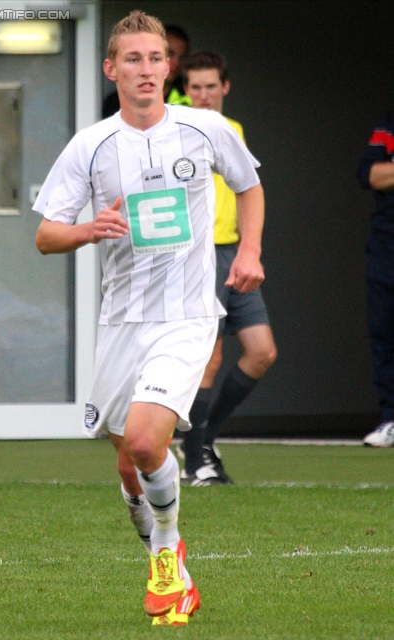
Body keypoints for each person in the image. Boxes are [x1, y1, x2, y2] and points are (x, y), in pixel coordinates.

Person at [34, 11, 265, 626]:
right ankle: (165, 553)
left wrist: (247, 250)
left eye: (155, 59)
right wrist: (87, 228)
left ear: (171, 68)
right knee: (126, 461)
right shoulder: (91, 145)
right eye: (132, 59)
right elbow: (45, 235)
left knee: (145, 440)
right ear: (112, 69)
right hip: (121, 322)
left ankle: (167, 554)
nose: (145, 70)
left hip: (186, 315)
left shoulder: (205, 129)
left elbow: (248, 184)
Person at [179, 52, 277, 485]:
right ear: (185, 90)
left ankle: (202, 440)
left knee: (262, 353)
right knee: (210, 358)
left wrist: (249, 250)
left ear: (225, 87)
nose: (202, 96)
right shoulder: (175, 129)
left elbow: (247, 190)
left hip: (234, 255)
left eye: (210, 87)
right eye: (194, 88)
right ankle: (196, 458)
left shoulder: (231, 130)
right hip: (196, 257)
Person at [357, 110, 394, 447]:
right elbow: (369, 174)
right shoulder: (388, 122)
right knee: (384, 328)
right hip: (386, 241)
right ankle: (391, 418)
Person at [102, 24, 191, 118]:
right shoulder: (115, 101)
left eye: (182, 57)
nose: (176, 62)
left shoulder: (191, 92)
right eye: (170, 53)